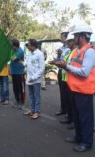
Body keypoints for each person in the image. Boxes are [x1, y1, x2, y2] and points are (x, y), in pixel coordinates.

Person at [55, 23, 95, 152]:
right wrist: (62, 64)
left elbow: (84, 72)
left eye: (76, 36)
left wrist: (66, 67)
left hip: (84, 91)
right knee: (77, 117)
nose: (74, 38)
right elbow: (72, 66)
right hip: (74, 89)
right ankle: (78, 137)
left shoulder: (89, 52)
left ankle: (87, 142)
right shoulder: (77, 51)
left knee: (85, 118)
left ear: (82, 37)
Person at [23, 39, 45, 119]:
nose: (27, 46)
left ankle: (36, 111)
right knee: (31, 96)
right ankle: (32, 110)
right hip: (29, 79)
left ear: (33, 45)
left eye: (28, 45)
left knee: (36, 96)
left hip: (36, 79)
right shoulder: (29, 54)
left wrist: (34, 77)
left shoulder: (39, 54)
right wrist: (19, 61)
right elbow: (25, 63)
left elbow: (42, 68)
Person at [55, 31, 70, 116]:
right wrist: (56, 59)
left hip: (67, 72)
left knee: (67, 92)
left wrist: (62, 53)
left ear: (66, 38)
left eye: (62, 37)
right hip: (61, 71)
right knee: (62, 92)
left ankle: (68, 111)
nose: (60, 39)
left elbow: (67, 60)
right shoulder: (61, 48)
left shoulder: (70, 48)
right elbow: (59, 59)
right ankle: (63, 109)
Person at [10, 39, 25, 109]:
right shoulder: (13, 51)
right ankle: (17, 100)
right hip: (14, 72)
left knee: (21, 88)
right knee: (15, 88)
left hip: (20, 73)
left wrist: (9, 56)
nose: (11, 46)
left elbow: (13, 59)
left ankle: (22, 102)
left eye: (11, 45)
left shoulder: (20, 51)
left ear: (15, 45)